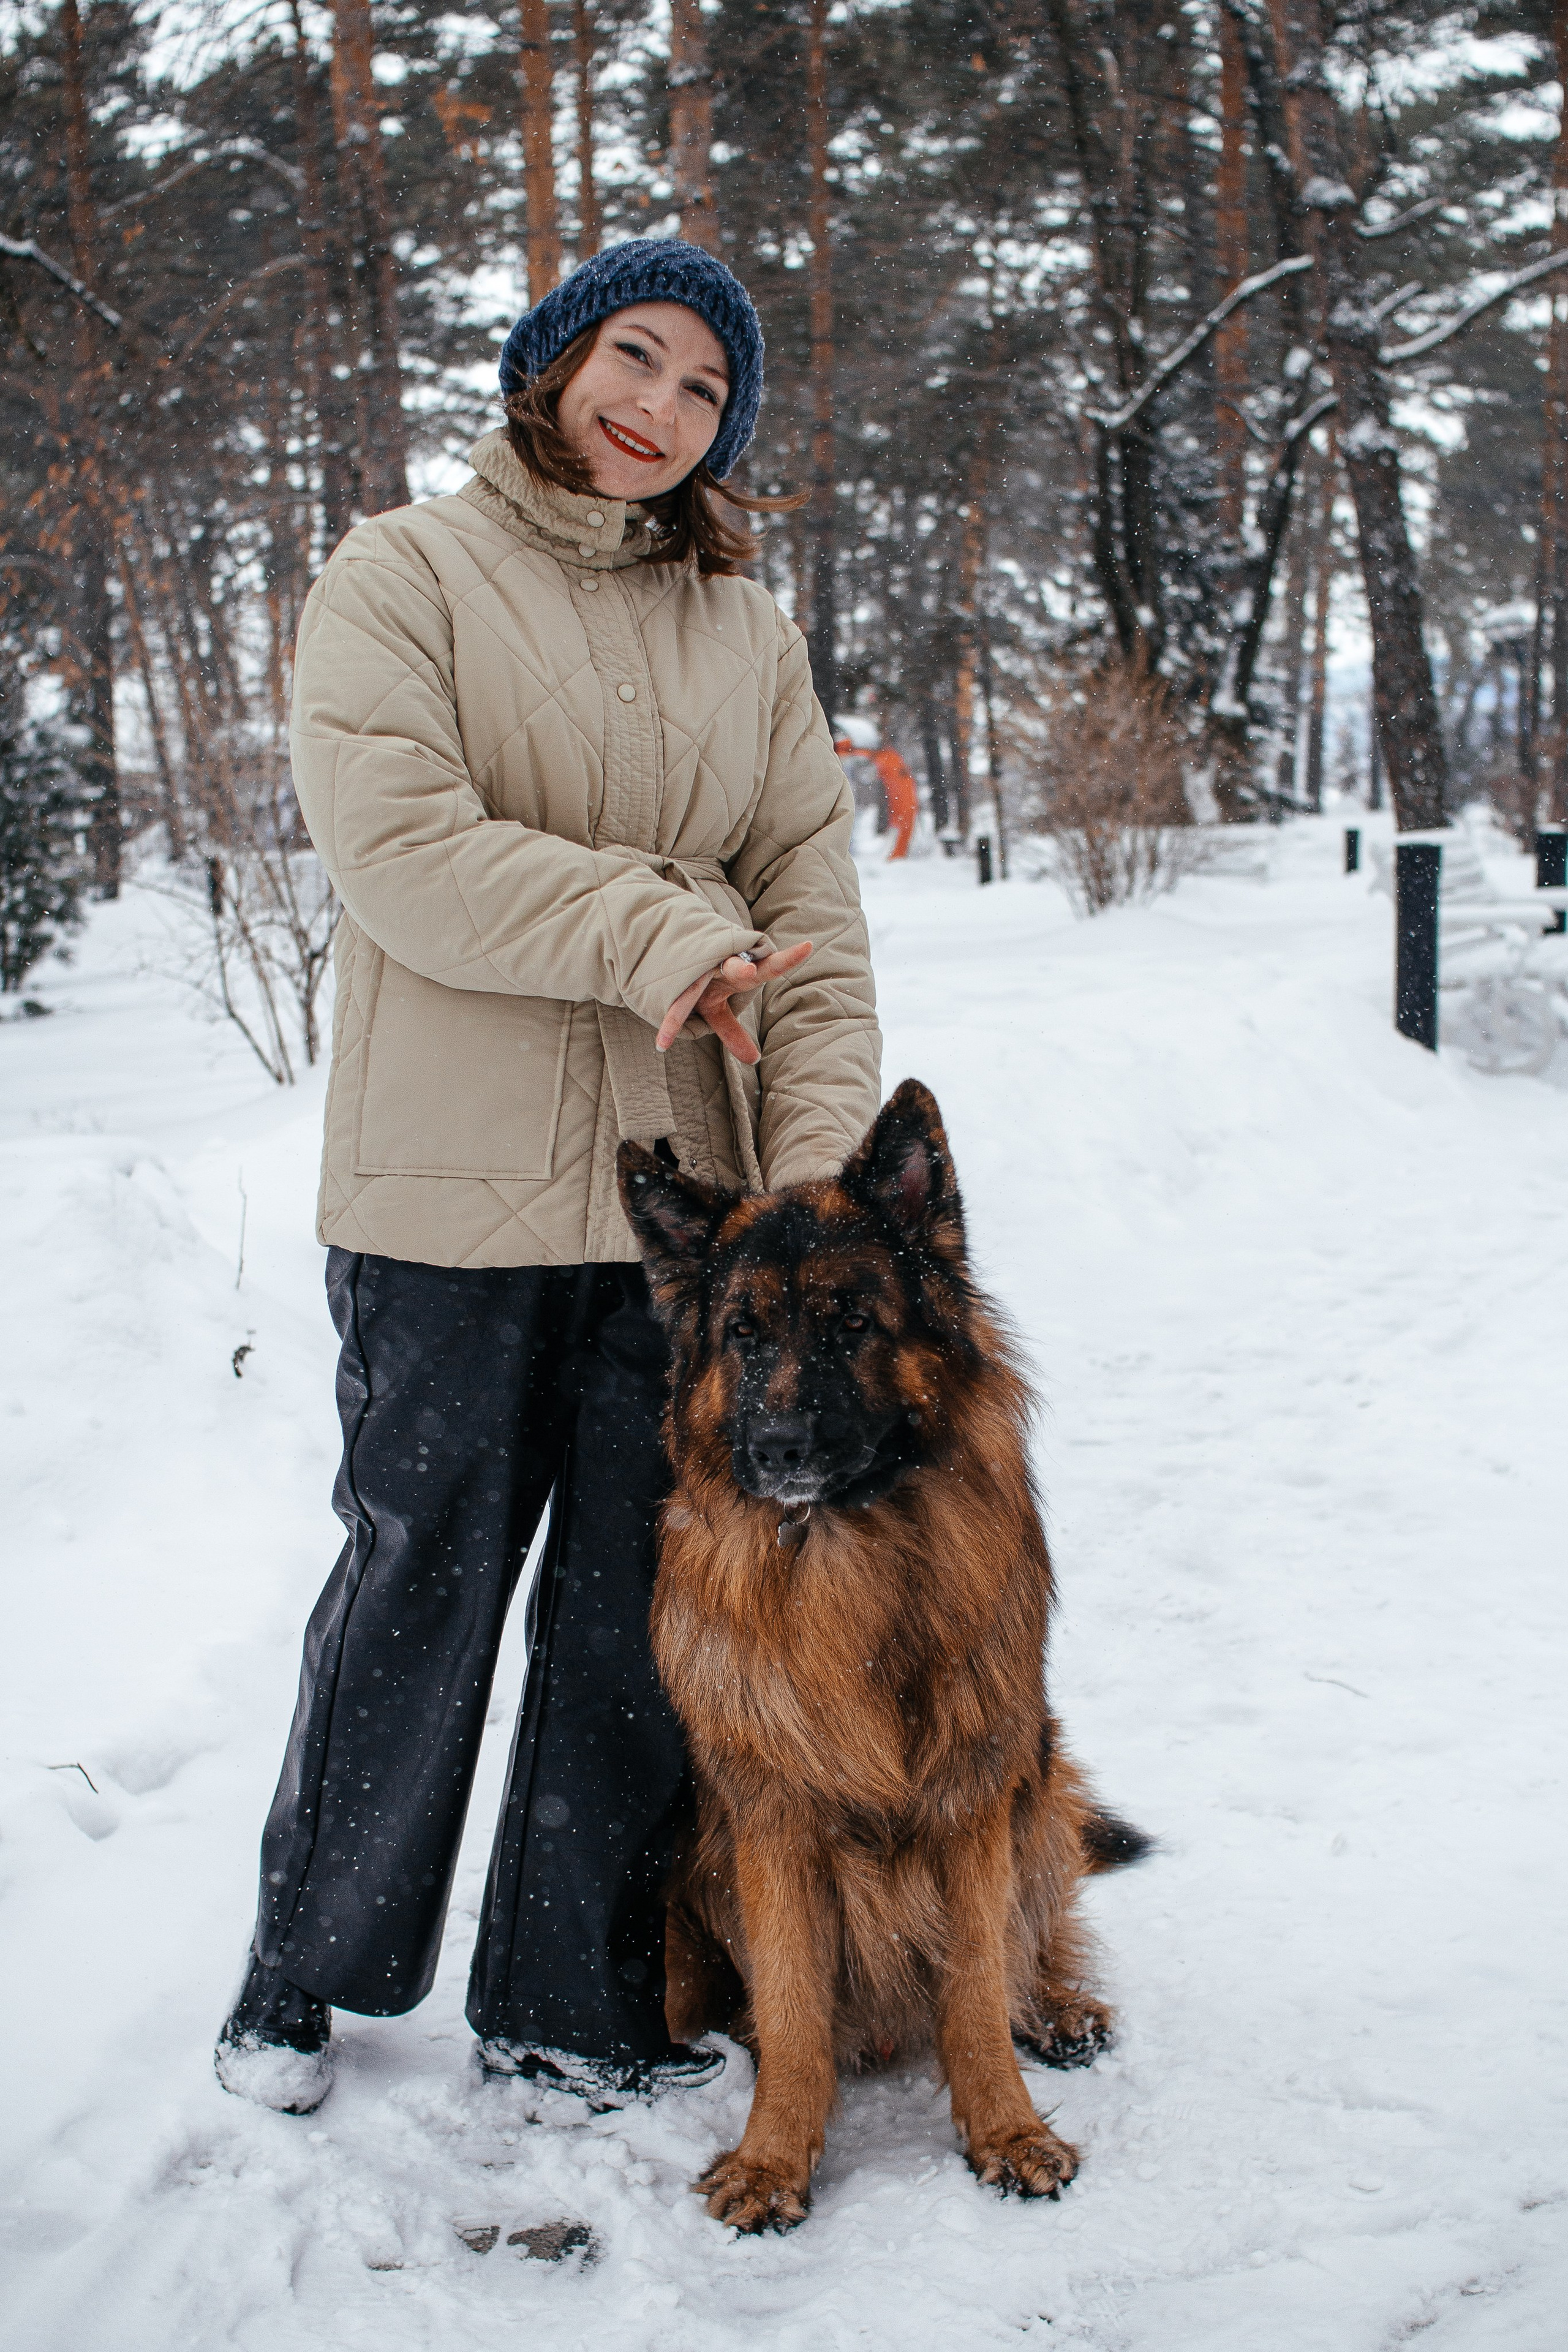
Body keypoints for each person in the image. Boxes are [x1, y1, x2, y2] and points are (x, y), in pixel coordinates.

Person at [213, 238, 881, 2116]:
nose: (656, 411)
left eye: (701, 394)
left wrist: (812, 1186)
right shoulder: (398, 572)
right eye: (635, 359)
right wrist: (663, 928)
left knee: (635, 1615)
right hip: (446, 1206)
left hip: (690, 1222)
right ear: (554, 357)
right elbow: (401, 847)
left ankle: (572, 1996)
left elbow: (812, 915)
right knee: (419, 1580)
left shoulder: (747, 635)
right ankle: (303, 1969)